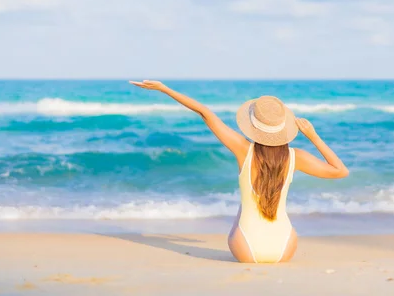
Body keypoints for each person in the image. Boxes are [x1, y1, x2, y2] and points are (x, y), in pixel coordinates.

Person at [130, 80, 349, 263]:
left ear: (253, 125)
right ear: (283, 129)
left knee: (245, 204)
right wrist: (313, 136)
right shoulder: (295, 157)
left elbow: (204, 113)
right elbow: (340, 171)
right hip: (284, 249)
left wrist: (164, 89)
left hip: (246, 248)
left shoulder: (244, 149)